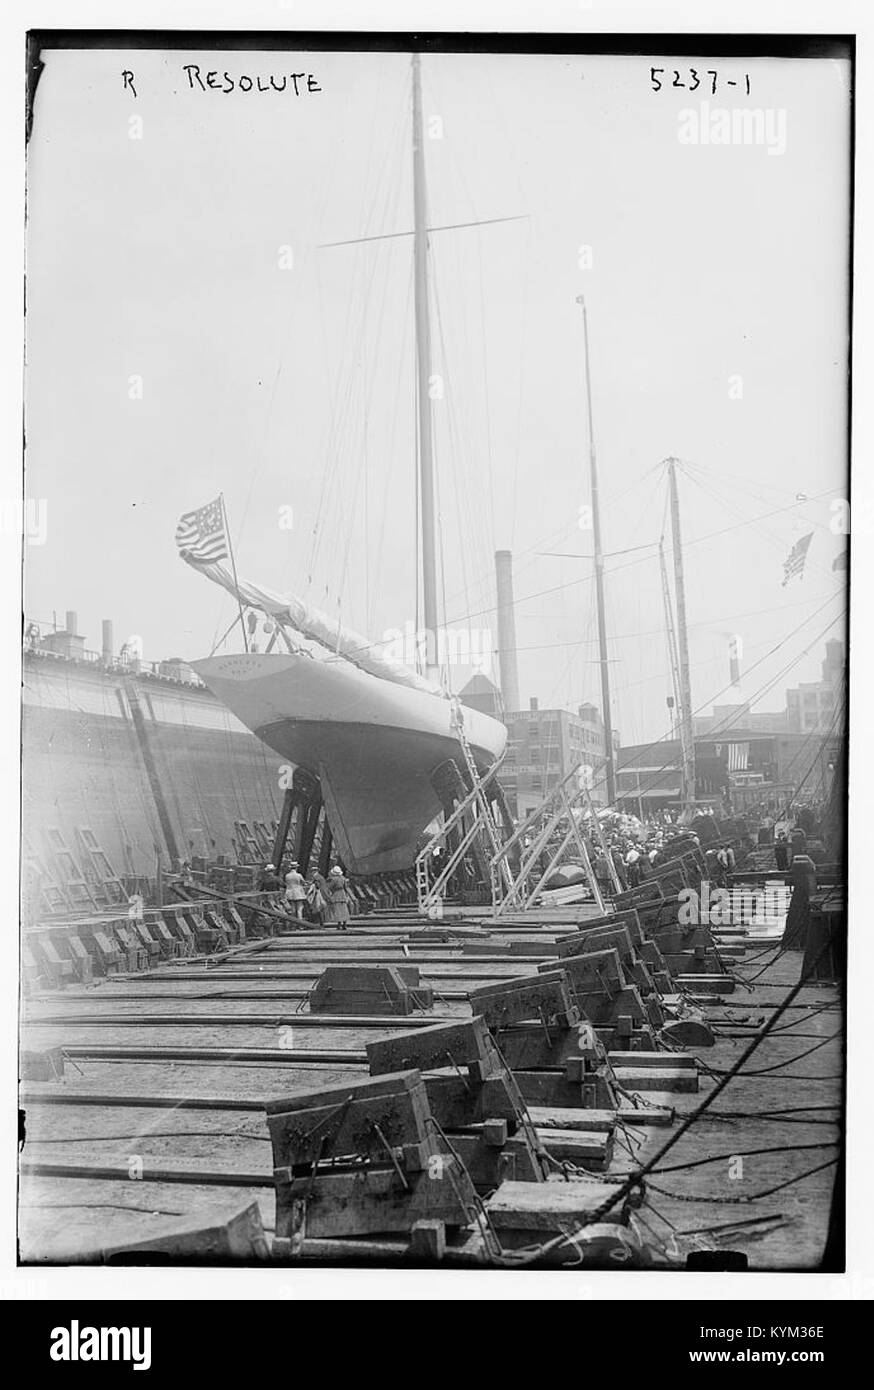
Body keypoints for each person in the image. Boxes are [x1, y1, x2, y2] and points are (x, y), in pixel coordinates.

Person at [325, 866, 352, 930]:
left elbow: (330, 887)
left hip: (336, 895)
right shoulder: (343, 878)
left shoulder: (334, 879)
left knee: (338, 910)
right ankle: (345, 924)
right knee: (344, 910)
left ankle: (339, 924)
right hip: (343, 894)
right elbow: (346, 888)